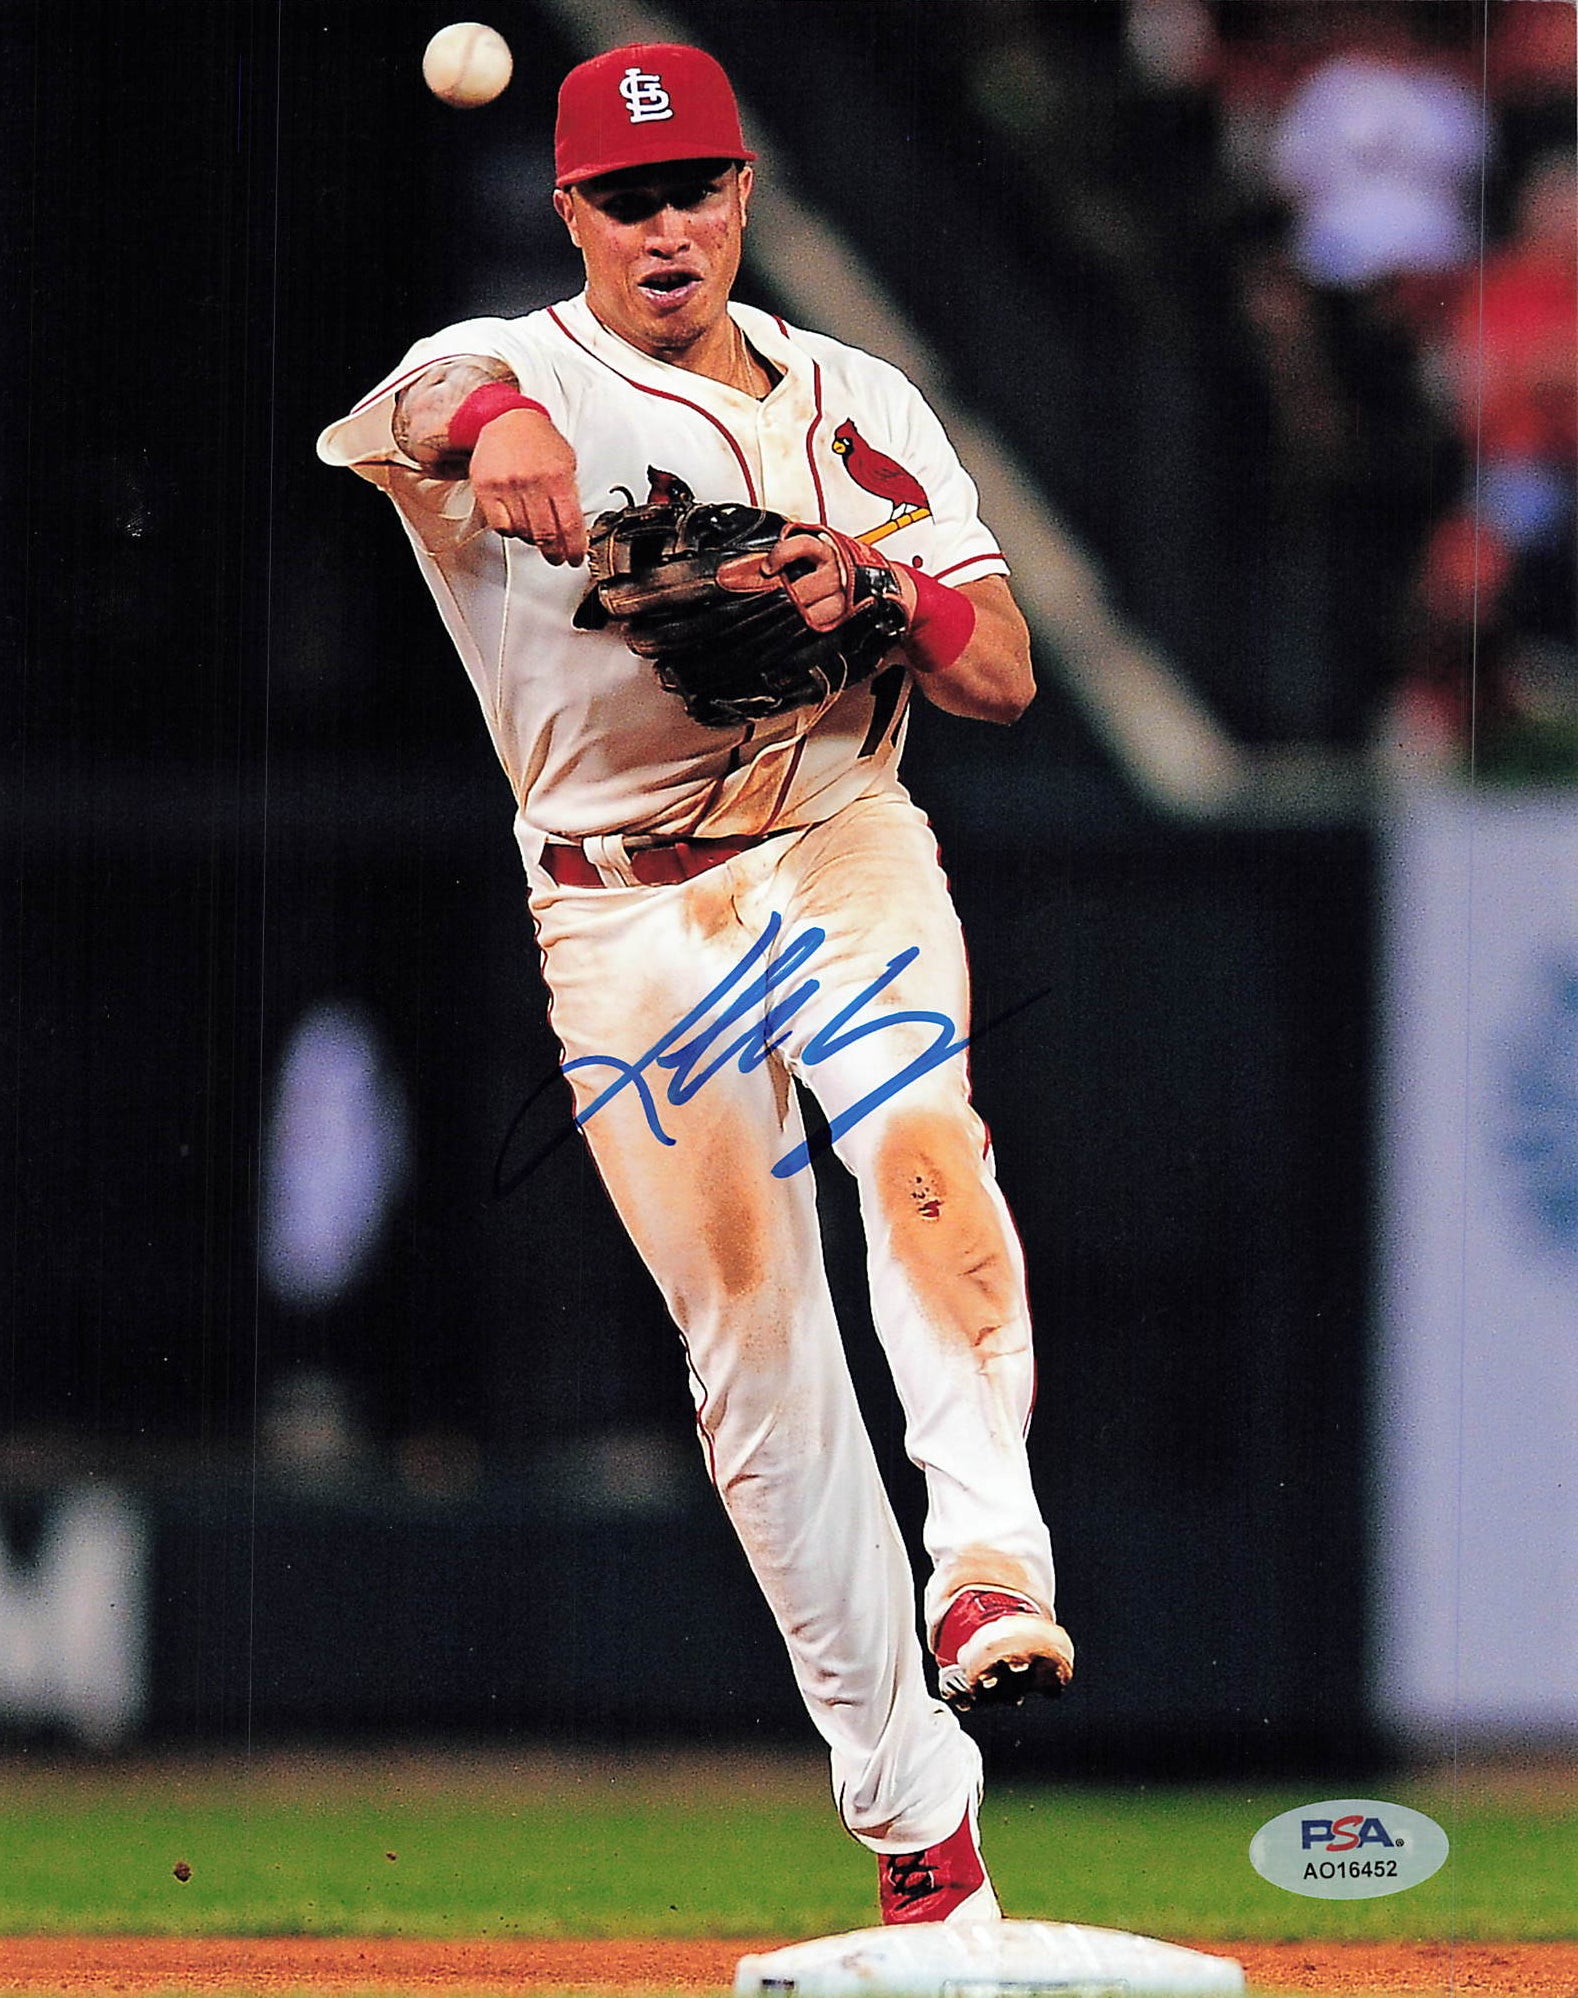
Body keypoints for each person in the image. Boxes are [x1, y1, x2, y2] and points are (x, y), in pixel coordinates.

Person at [319, 42, 1072, 1925]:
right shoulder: (517, 364)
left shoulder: (858, 400)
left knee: (918, 1138)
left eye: (695, 189)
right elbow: (423, 400)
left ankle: (988, 1565)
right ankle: (919, 1835)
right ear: (571, 211)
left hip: (835, 834)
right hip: (622, 910)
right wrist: (502, 417)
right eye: (627, 197)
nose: (667, 227)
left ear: (743, 196)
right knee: (756, 1350)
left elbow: (1003, 672)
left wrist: (885, 597)